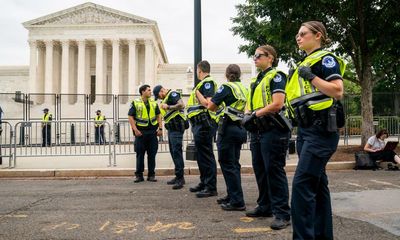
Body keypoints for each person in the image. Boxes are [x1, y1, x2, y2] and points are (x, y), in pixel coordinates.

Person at [286, 21, 346, 240]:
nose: (298, 37)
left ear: (318, 35)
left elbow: (337, 91)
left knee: (302, 187)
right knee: (318, 187)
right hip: (306, 131)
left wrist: (310, 76)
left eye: (303, 34)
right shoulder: (306, 62)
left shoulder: (325, 59)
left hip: (320, 132)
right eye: (297, 34)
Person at [241, 45, 291, 230]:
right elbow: (250, 104)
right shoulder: (256, 80)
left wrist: (254, 114)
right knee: (260, 170)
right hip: (257, 130)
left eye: (258, 55)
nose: (255, 58)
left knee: (274, 171)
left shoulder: (277, 76)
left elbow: (278, 103)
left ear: (270, 58)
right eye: (254, 56)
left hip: (273, 129)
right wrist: (248, 115)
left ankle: (282, 213)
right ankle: (265, 206)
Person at [207, 64, 248, 211]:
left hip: (228, 129)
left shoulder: (226, 87)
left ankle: (237, 201)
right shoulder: (244, 88)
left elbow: (211, 106)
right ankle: (232, 195)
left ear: (227, 74)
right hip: (240, 128)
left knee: (227, 164)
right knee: (234, 164)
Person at [187, 60, 221, 198]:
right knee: (201, 155)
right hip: (199, 124)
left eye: (197, 71)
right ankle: (204, 182)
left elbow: (208, 103)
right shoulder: (201, 84)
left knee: (206, 155)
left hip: (204, 124)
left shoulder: (208, 83)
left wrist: (198, 95)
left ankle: (211, 187)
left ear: (199, 71)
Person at [153, 85, 187, 190]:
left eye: (158, 96)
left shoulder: (173, 94)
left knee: (177, 152)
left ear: (161, 91)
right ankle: (178, 176)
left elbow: (181, 105)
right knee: (173, 152)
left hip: (177, 127)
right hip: (172, 128)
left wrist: (168, 107)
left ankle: (180, 178)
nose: (159, 98)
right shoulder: (167, 98)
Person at [128, 84, 163, 183]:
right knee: (140, 155)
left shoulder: (153, 102)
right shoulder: (135, 102)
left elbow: (158, 115)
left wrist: (160, 128)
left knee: (152, 154)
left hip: (152, 133)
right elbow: (130, 116)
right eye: (148, 90)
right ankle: (139, 175)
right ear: (142, 92)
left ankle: (151, 175)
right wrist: (135, 130)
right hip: (141, 133)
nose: (150, 92)